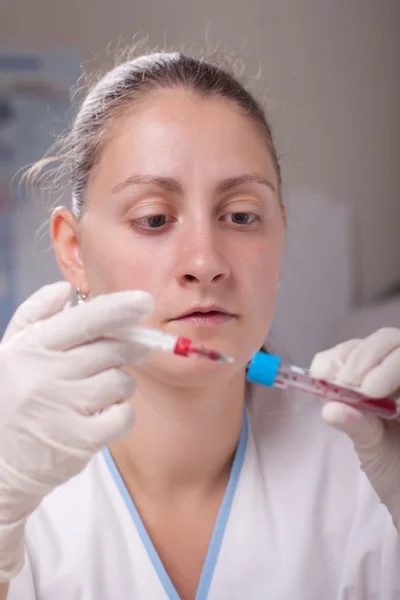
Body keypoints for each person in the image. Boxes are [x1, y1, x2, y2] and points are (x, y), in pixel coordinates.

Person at [0, 48, 399, 600]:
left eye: (240, 216)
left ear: (280, 236)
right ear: (74, 250)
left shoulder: (367, 471)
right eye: (154, 219)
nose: (205, 260)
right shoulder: (17, 481)